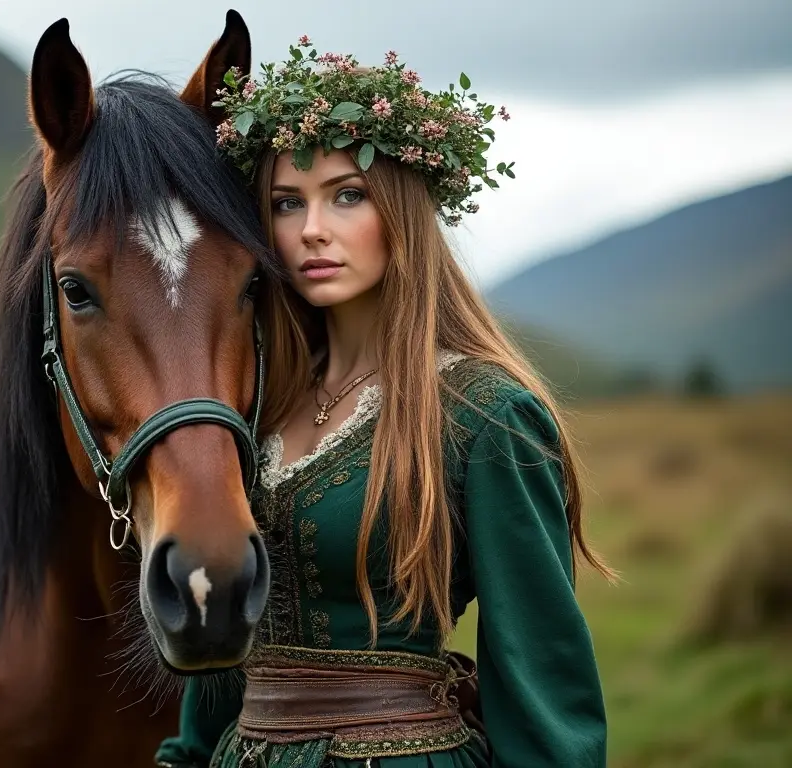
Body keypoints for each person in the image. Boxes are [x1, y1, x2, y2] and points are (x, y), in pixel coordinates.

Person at [156, 37, 612, 768]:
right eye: (285, 203)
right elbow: (219, 623)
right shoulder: (256, 406)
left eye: (346, 195)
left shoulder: (486, 415)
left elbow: (540, 671)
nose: (311, 229)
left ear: (399, 208)